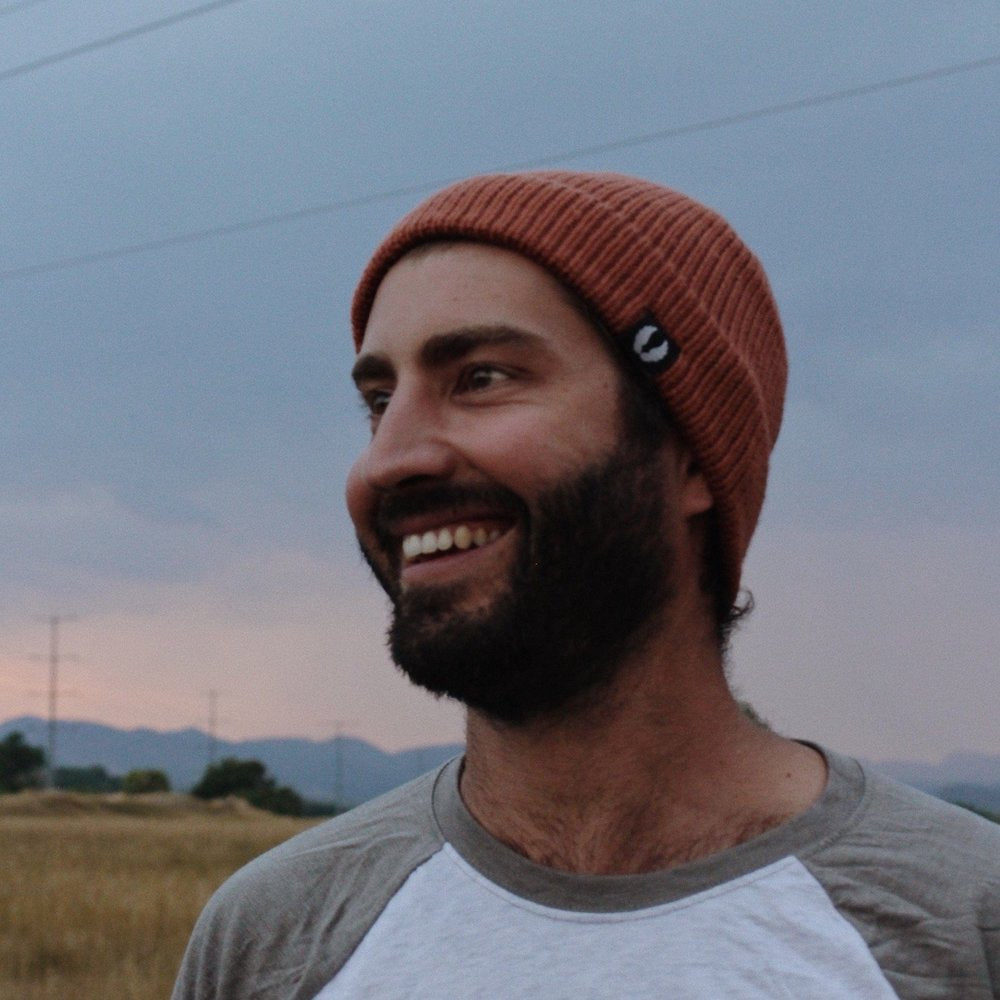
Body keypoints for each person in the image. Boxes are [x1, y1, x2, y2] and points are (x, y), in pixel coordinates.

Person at [173, 172, 999, 999]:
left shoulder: (960, 925)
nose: (390, 459)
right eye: (380, 401)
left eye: (481, 377)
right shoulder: (274, 937)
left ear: (685, 452)